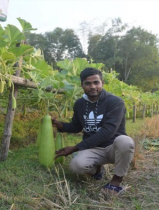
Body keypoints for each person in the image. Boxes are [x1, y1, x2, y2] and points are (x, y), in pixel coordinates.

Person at [52, 67, 135, 195]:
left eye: (96, 82)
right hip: (93, 148)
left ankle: (116, 182)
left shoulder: (115, 102)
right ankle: (97, 170)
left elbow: (108, 131)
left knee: (125, 141)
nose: (92, 86)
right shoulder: (79, 104)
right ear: (82, 85)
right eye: (88, 83)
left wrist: (75, 148)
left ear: (102, 83)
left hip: (113, 147)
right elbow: (77, 126)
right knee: (76, 166)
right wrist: (61, 125)